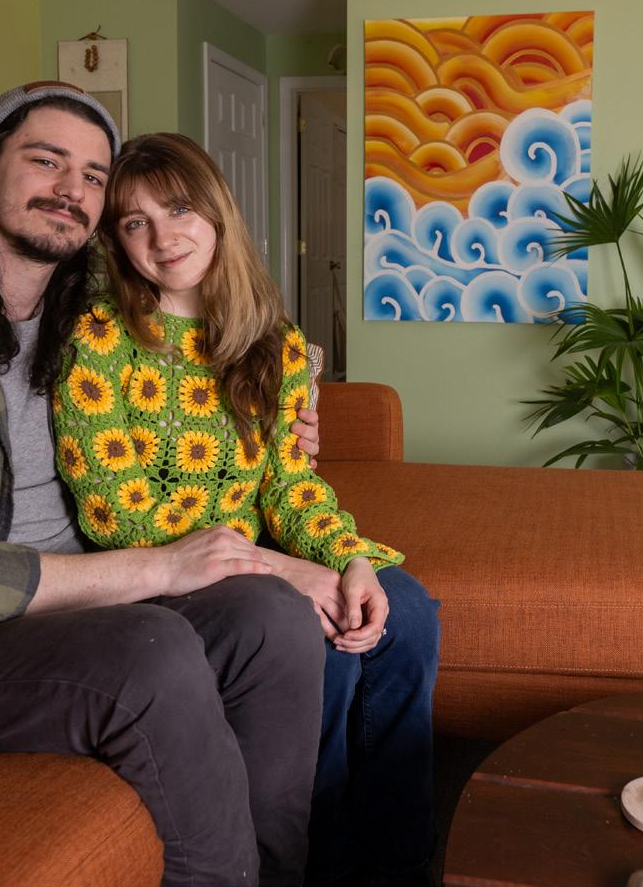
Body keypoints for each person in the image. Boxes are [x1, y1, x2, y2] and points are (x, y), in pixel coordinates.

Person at [0, 81, 330, 887]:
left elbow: (213, 345)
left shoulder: (90, 317)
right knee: (151, 653)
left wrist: (290, 409)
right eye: (45, 160)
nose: (71, 188)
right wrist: (155, 567)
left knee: (270, 616)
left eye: (92, 174)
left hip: (80, 606)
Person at [53, 133, 441, 887]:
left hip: (261, 558)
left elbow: (291, 485)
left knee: (408, 609)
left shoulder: (277, 344)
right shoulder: (98, 337)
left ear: (217, 213)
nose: (163, 237)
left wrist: (347, 557)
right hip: (165, 573)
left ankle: (396, 859)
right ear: (115, 240)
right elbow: (116, 512)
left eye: (179, 209)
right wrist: (278, 569)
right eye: (134, 222)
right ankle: (323, 850)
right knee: (316, 633)